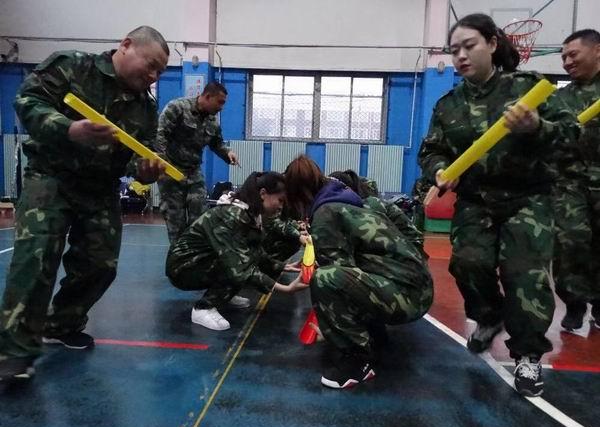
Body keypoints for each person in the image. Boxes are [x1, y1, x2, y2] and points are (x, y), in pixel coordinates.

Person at [418, 13, 580, 397]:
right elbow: (432, 150)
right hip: (476, 200)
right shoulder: (448, 105)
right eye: (454, 50)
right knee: (467, 263)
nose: (460, 56)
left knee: (525, 276)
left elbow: (572, 134)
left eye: (469, 46)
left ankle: (528, 354)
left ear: (492, 44)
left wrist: (536, 127)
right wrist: (440, 170)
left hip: (528, 198)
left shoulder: (529, 90)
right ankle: (489, 317)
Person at [0, 26, 169, 382]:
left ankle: (61, 324)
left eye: (160, 71)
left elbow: (137, 155)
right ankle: (14, 351)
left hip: (99, 188)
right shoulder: (73, 66)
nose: (154, 75)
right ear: (126, 45)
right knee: (36, 258)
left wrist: (145, 171)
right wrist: (68, 129)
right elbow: (27, 101)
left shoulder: (145, 108)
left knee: (100, 265)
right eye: (151, 64)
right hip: (52, 177)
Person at [285, 156, 433, 389]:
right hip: (414, 287)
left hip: (407, 297)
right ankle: (374, 335)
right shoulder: (349, 201)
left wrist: (331, 329)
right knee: (345, 277)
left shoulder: (326, 213)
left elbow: (339, 276)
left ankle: (357, 361)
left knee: (325, 278)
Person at [166, 171, 308, 331]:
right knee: (237, 267)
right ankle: (203, 308)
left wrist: (284, 266)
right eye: (280, 200)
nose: (281, 206)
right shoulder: (231, 216)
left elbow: (255, 251)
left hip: (199, 261)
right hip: (182, 269)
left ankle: (224, 295)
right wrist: (285, 288)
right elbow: (241, 267)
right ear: (263, 194)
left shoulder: (249, 213)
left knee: (242, 261)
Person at [552, 29, 600, 332]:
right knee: (570, 242)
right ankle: (574, 302)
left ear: (597, 51)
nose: (567, 62)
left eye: (573, 54)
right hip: (570, 184)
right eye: (564, 57)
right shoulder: (561, 98)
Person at [156, 82, 239, 244]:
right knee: (176, 222)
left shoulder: (212, 122)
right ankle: (178, 256)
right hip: (172, 172)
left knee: (200, 219)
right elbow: (160, 135)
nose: (221, 107)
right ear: (207, 96)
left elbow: (217, 144)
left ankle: (194, 253)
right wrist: (163, 163)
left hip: (194, 173)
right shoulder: (177, 108)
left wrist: (228, 153)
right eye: (220, 102)